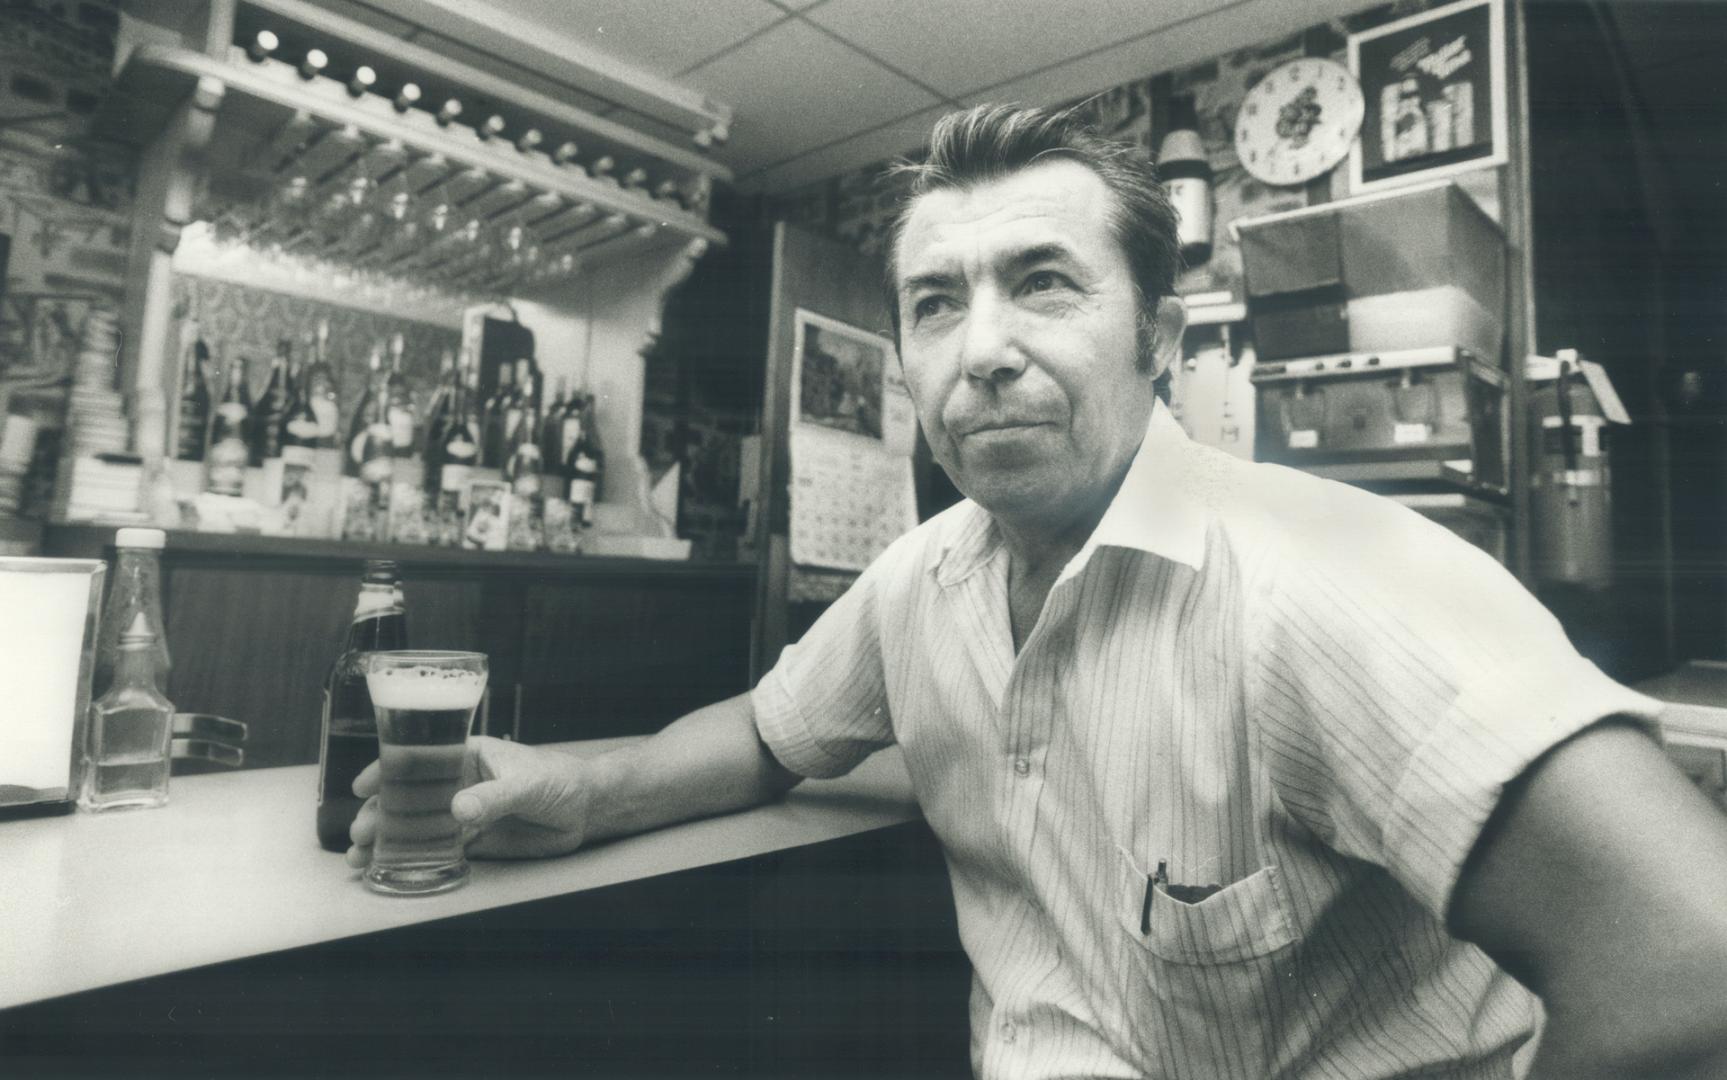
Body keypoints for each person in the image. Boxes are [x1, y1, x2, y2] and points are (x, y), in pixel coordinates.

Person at [348, 103, 1727, 1078]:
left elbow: (1693, 976)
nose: (985, 348)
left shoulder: (1330, 582)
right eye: (939, 303)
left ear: (1159, 340)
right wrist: (578, 793)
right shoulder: (921, 582)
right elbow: (769, 735)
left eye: (1044, 284)